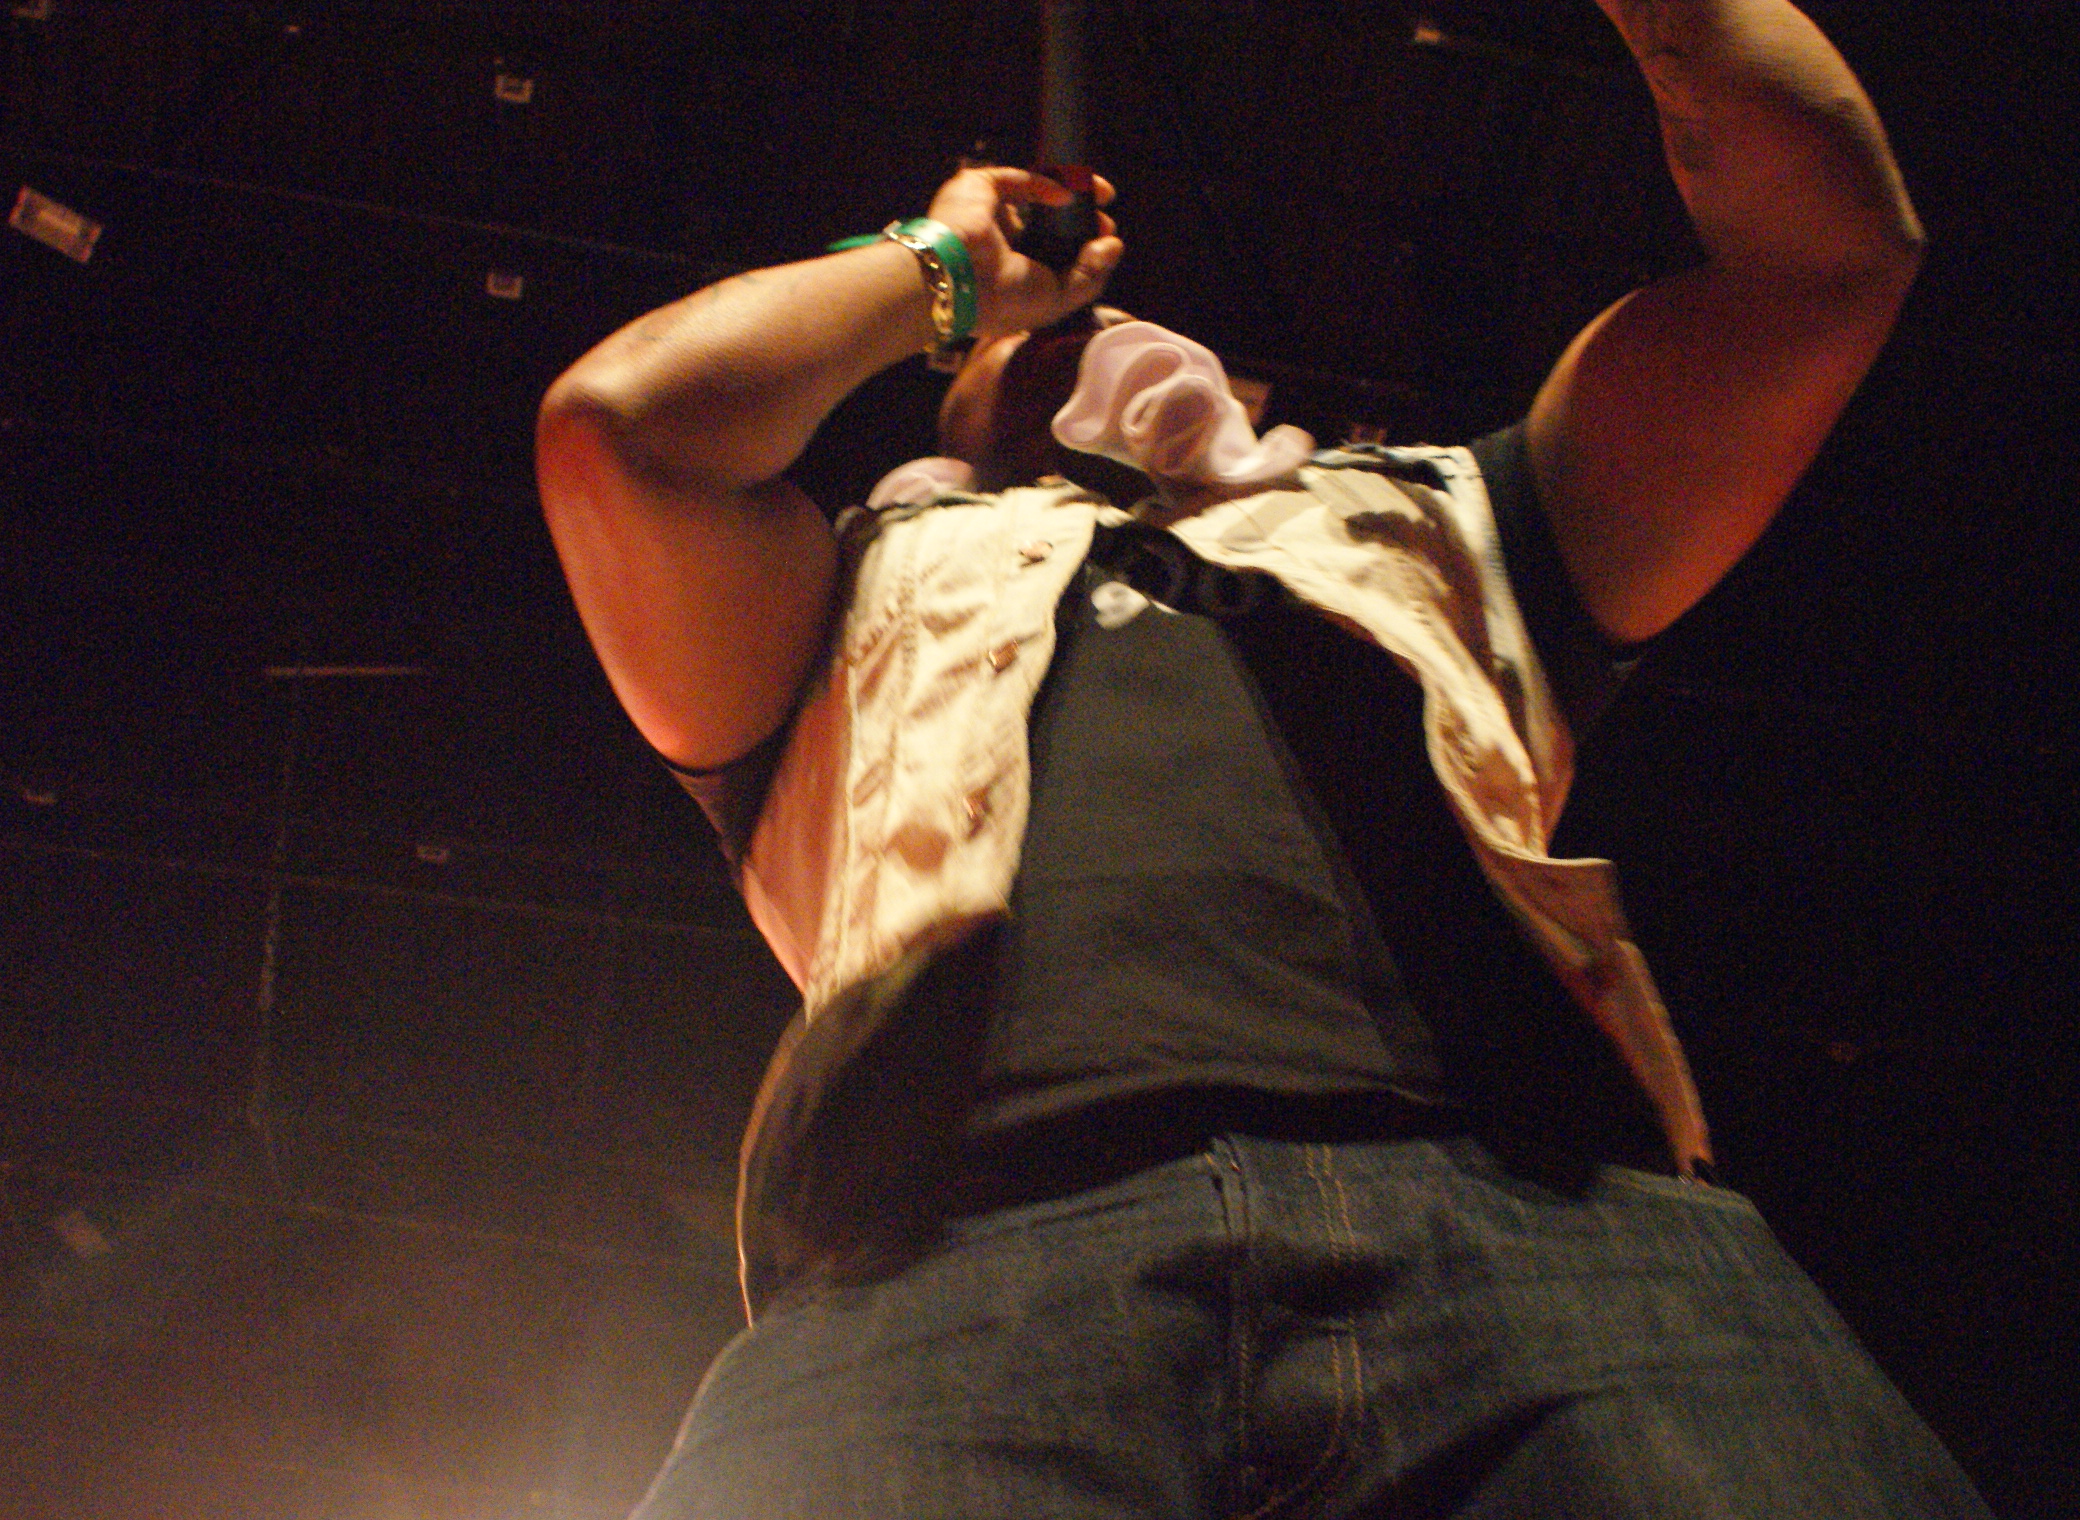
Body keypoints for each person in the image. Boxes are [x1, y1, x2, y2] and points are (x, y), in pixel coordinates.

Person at [538, 1, 1990, 1515]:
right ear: (953, 409)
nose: (1072, 344)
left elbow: (1825, 262)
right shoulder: (842, 591)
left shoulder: (1450, 517)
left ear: (1245, 395)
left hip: (1560, 1236)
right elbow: (621, 430)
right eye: (1014, 354)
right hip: (951, 1274)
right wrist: (948, 267)